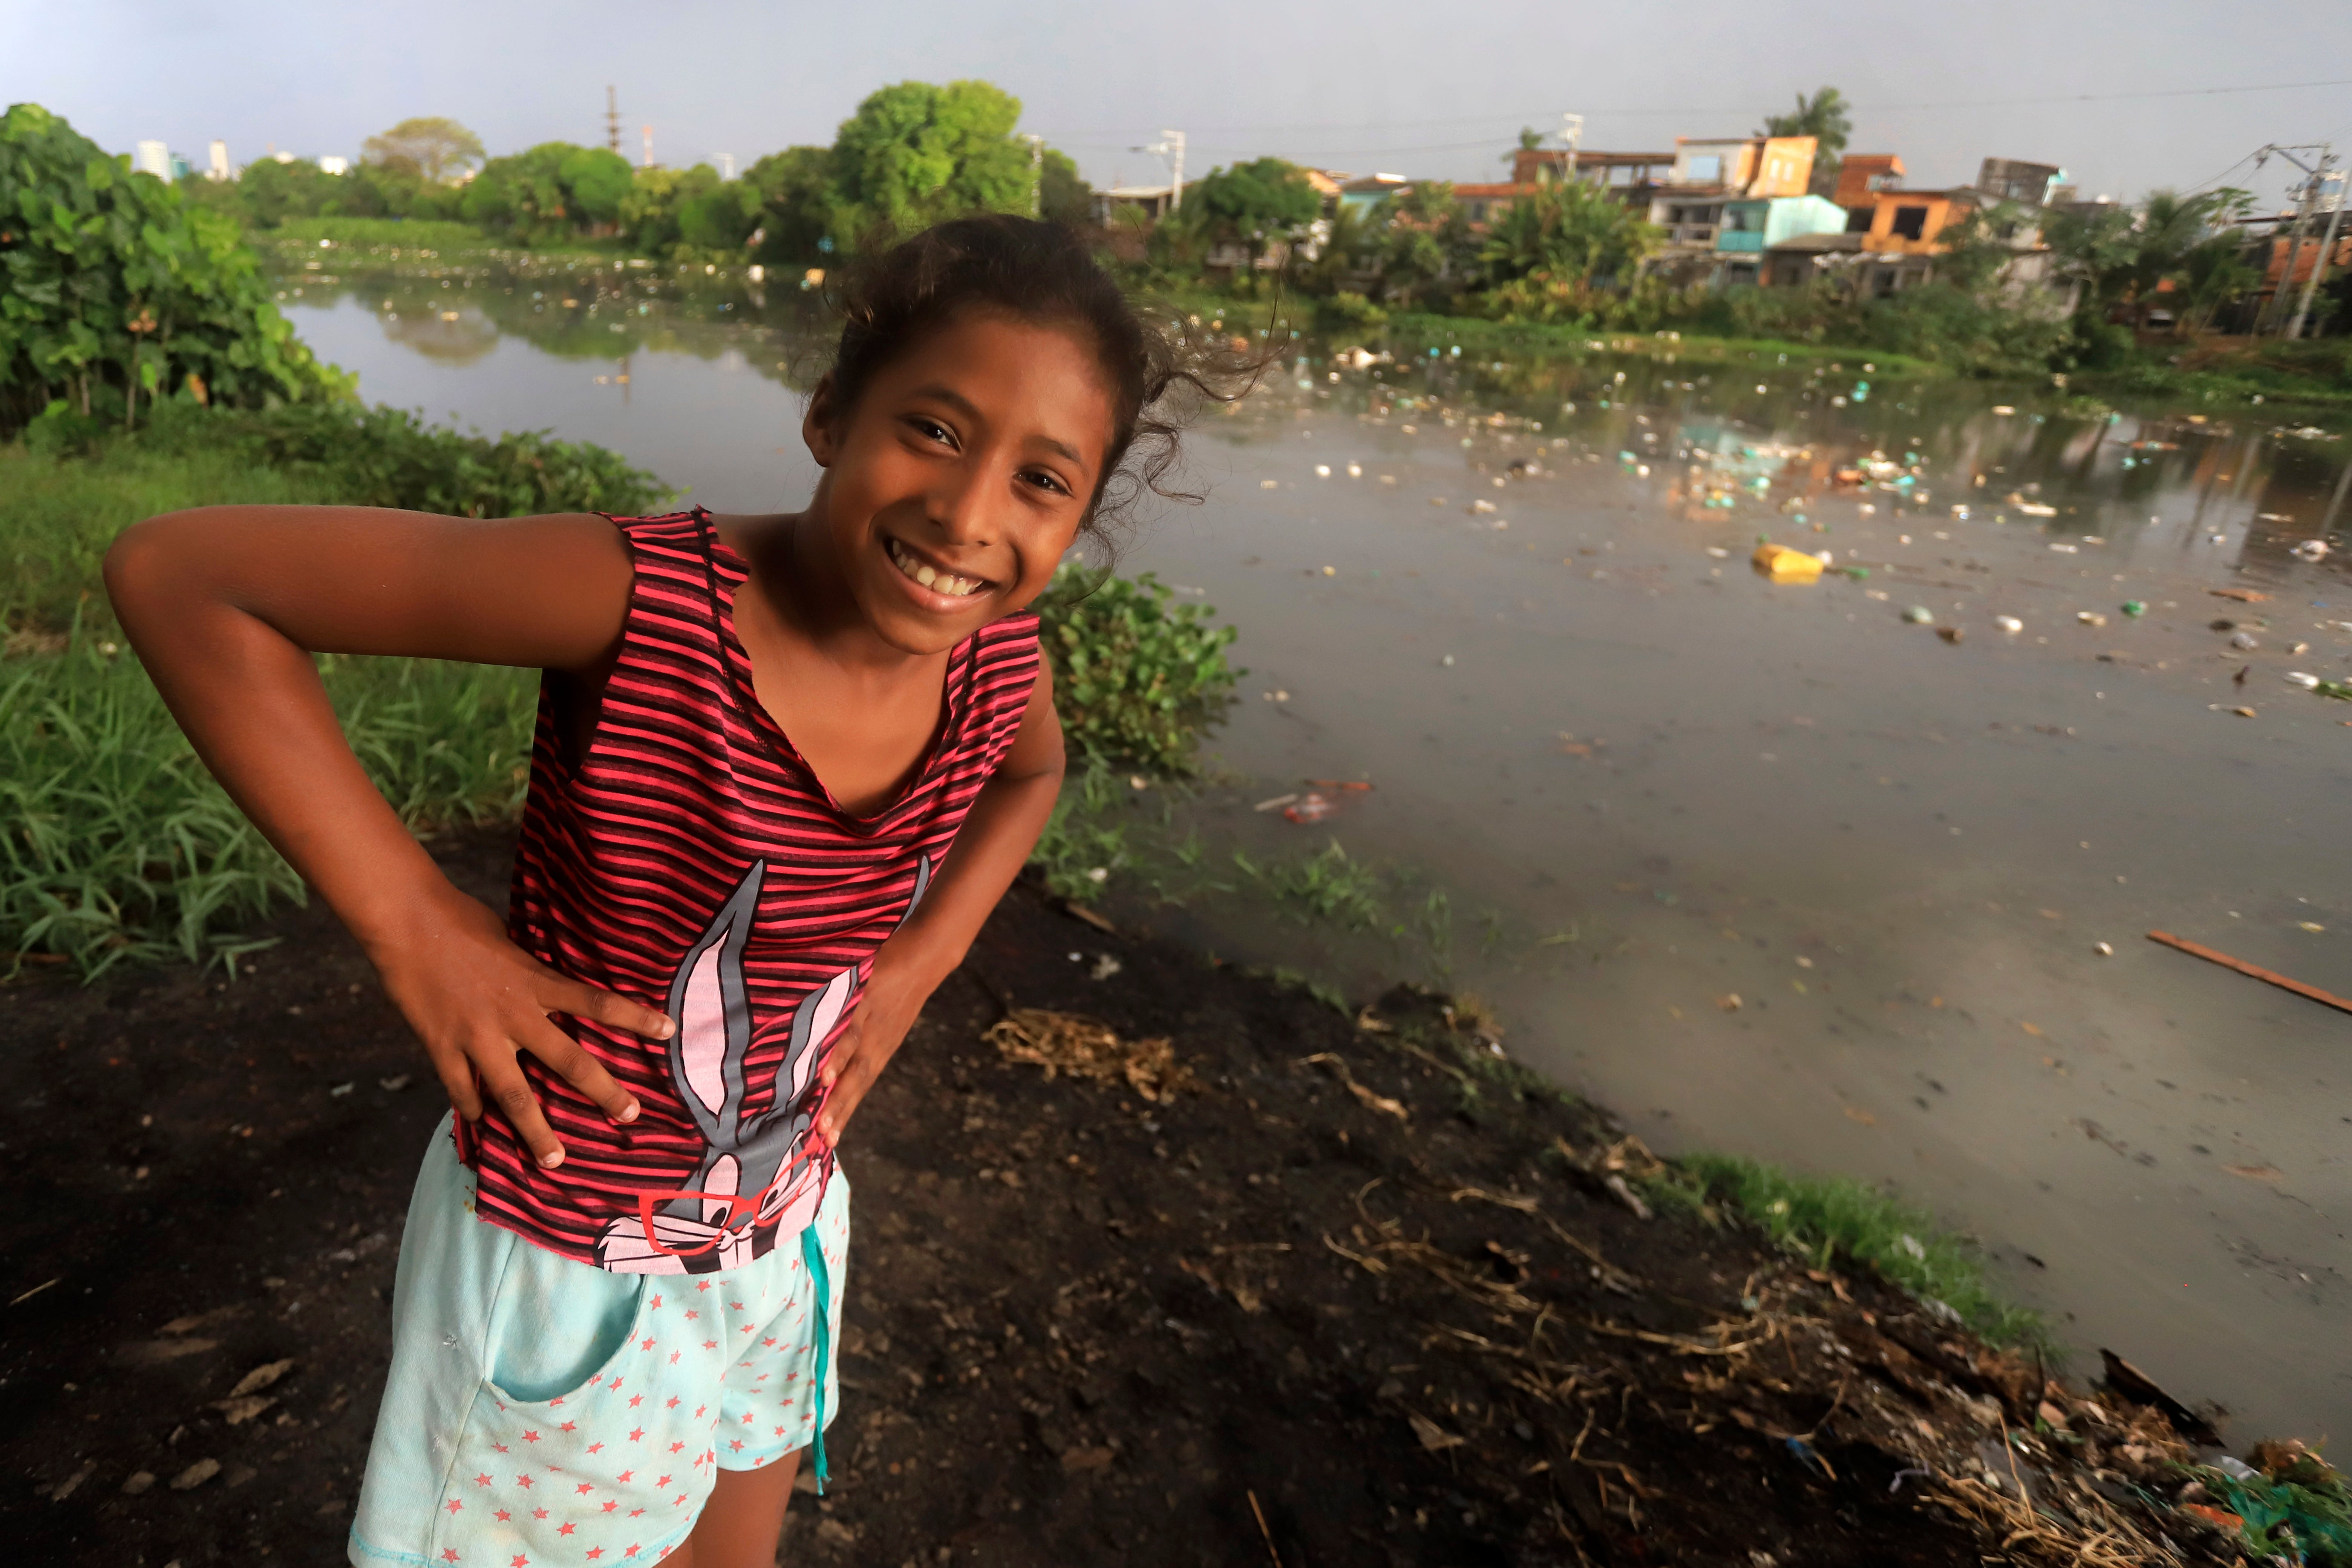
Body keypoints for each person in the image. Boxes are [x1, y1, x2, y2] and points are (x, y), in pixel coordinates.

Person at [106, 216, 1238, 1568]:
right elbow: (184, 579)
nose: (969, 513)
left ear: (1079, 515)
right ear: (829, 414)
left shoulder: (1000, 663)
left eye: (1041, 480)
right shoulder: (641, 603)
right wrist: (416, 923)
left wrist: (924, 960)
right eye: (934, 430)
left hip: (783, 1229)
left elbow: (1030, 778)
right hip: (565, 1256)